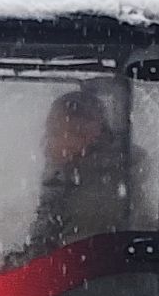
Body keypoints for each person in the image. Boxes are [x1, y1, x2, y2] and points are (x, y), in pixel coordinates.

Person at [32, 89, 125, 252]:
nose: (44, 143)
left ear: (86, 136)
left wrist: (4, 265)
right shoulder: (69, 178)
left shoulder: (97, 197)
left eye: (54, 133)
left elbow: (67, 262)